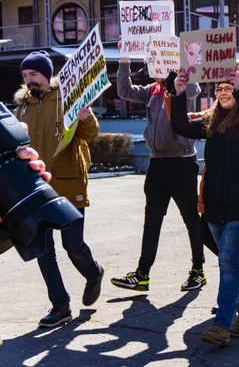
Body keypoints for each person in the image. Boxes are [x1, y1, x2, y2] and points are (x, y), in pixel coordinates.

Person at [170, 66, 239, 346]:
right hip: (215, 207)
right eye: (220, 89)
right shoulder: (212, 120)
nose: (224, 93)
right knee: (236, 260)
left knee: (229, 260)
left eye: (230, 88)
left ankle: (222, 324)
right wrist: (178, 94)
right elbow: (180, 126)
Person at [14, 51, 105, 328]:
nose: (29, 80)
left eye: (34, 74)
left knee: (73, 245)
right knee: (43, 250)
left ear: (47, 75)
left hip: (68, 183)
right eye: (25, 75)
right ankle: (60, 305)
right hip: (36, 188)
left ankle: (93, 274)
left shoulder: (69, 99)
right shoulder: (22, 108)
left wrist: (86, 116)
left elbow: (90, 134)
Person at [110, 51, 205, 292]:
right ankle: (142, 274)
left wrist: (180, 70)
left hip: (182, 163)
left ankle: (198, 270)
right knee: (151, 220)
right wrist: (124, 60)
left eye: (159, 62)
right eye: (152, 63)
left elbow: (193, 89)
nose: (154, 67)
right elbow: (124, 91)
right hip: (156, 164)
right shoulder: (151, 90)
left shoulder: (183, 85)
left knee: (190, 218)